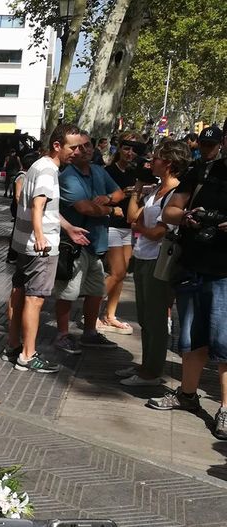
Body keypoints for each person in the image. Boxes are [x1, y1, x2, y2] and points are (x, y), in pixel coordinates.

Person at [148, 151, 227, 441]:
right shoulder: (203, 172)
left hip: (225, 274)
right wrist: (187, 217)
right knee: (191, 339)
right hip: (192, 267)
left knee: (225, 342)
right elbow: (169, 211)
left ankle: (225, 409)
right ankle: (187, 394)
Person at [5, 123, 89, 373]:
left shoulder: (39, 166)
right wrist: (41, 237)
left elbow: (45, 209)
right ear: (57, 146)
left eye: (81, 147)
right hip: (39, 248)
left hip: (25, 244)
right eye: (73, 147)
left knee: (20, 293)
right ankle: (28, 355)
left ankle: (13, 346)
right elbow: (38, 206)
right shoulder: (47, 171)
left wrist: (68, 228)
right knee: (35, 299)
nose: (78, 152)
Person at [116, 140, 188, 386]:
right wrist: (137, 190)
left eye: (155, 158)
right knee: (145, 317)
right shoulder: (156, 189)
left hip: (159, 259)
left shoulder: (175, 193)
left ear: (168, 163)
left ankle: (152, 371)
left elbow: (159, 232)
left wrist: (139, 228)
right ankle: (146, 366)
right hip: (144, 256)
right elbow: (132, 216)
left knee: (156, 318)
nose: (150, 163)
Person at [52, 132, 125, 355]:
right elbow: (84, 208)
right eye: (80, 147)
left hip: (97, 243)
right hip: (75, 245)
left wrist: (108, 199)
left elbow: (119, 193)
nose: (85, 150)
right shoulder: (67, 177)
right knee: (68, 292)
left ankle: (90, 333)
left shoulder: (98, 171)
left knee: (96, 290)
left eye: (88, 146)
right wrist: (112, 209)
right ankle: (62, 334)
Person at [98, 133, 142, 335]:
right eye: (126, 148)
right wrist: (125, 193)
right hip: (111, 225)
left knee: (121, 274)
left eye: (134, 149)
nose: (130, 153)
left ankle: (110, 315)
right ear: (119, 148)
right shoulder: (107, 171)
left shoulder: (137, 172)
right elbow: (98, 199)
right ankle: (91, 312)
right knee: (117, 272)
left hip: (128, 228)